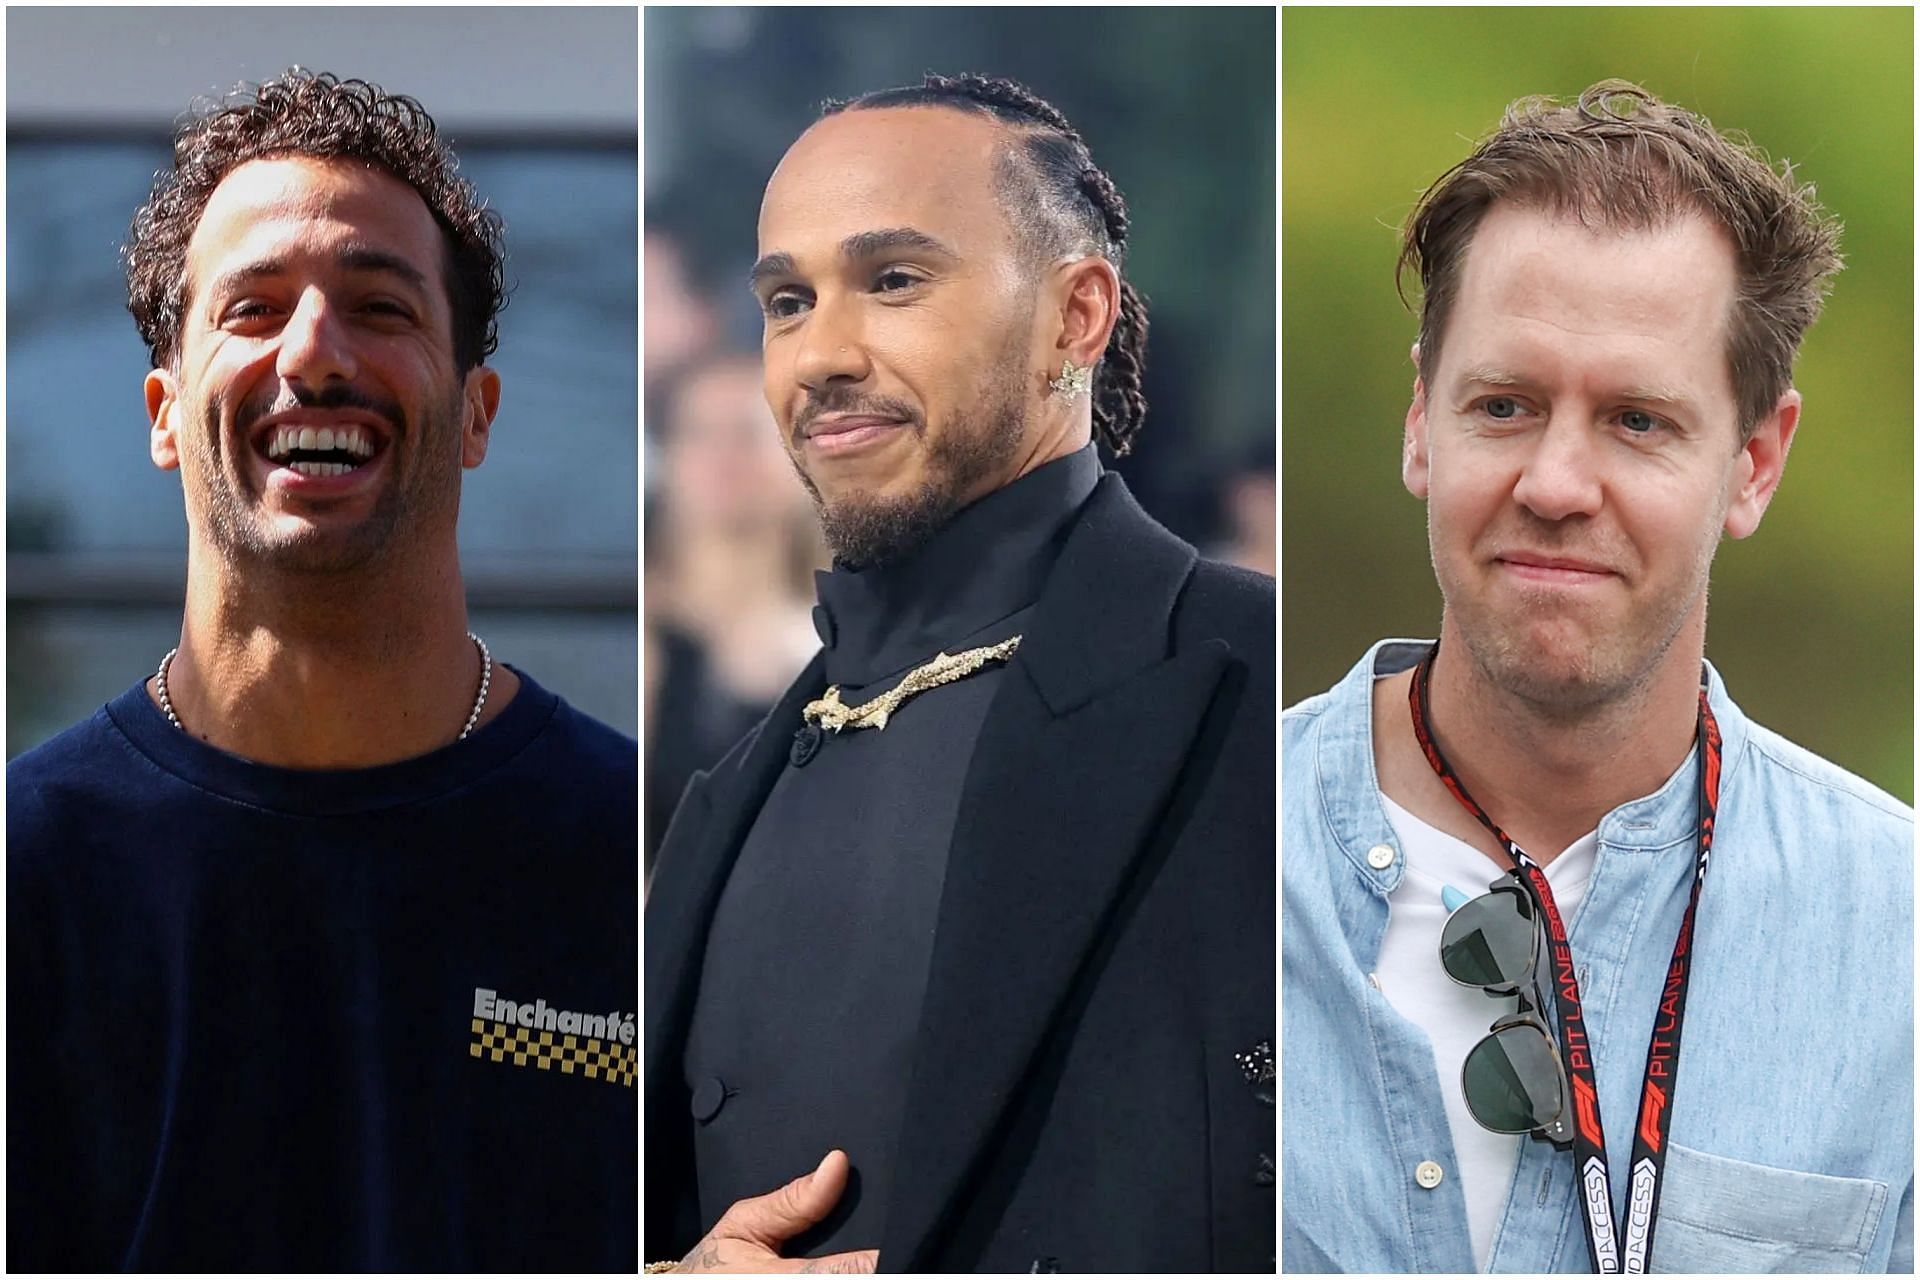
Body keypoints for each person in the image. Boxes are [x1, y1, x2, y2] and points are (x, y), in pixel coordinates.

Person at [644, 73, 1275, 1274]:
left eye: (892, 279)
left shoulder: (1255, 696)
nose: (819, 354)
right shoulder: (729, 790)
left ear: (1074, 317)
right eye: (786, 300)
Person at [7, 70, 637, 1271]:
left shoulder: (641, 861)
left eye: (380, 306)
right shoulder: (25, 875)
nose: (313, 352)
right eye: (251, 309)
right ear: (164, 410)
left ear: (476, 414)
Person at [1281, 80, 1912, 1273]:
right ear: (1421, 422)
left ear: (1755, 463)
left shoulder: (1897, 937)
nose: (1558, 483)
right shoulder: (1203, 846)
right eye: (1505, 405)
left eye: (1636, 420)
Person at [645, 352, 825, 872]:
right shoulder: (647, 637)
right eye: (698, 433)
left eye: (750, 432)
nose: (723, 456)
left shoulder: (844, 640)